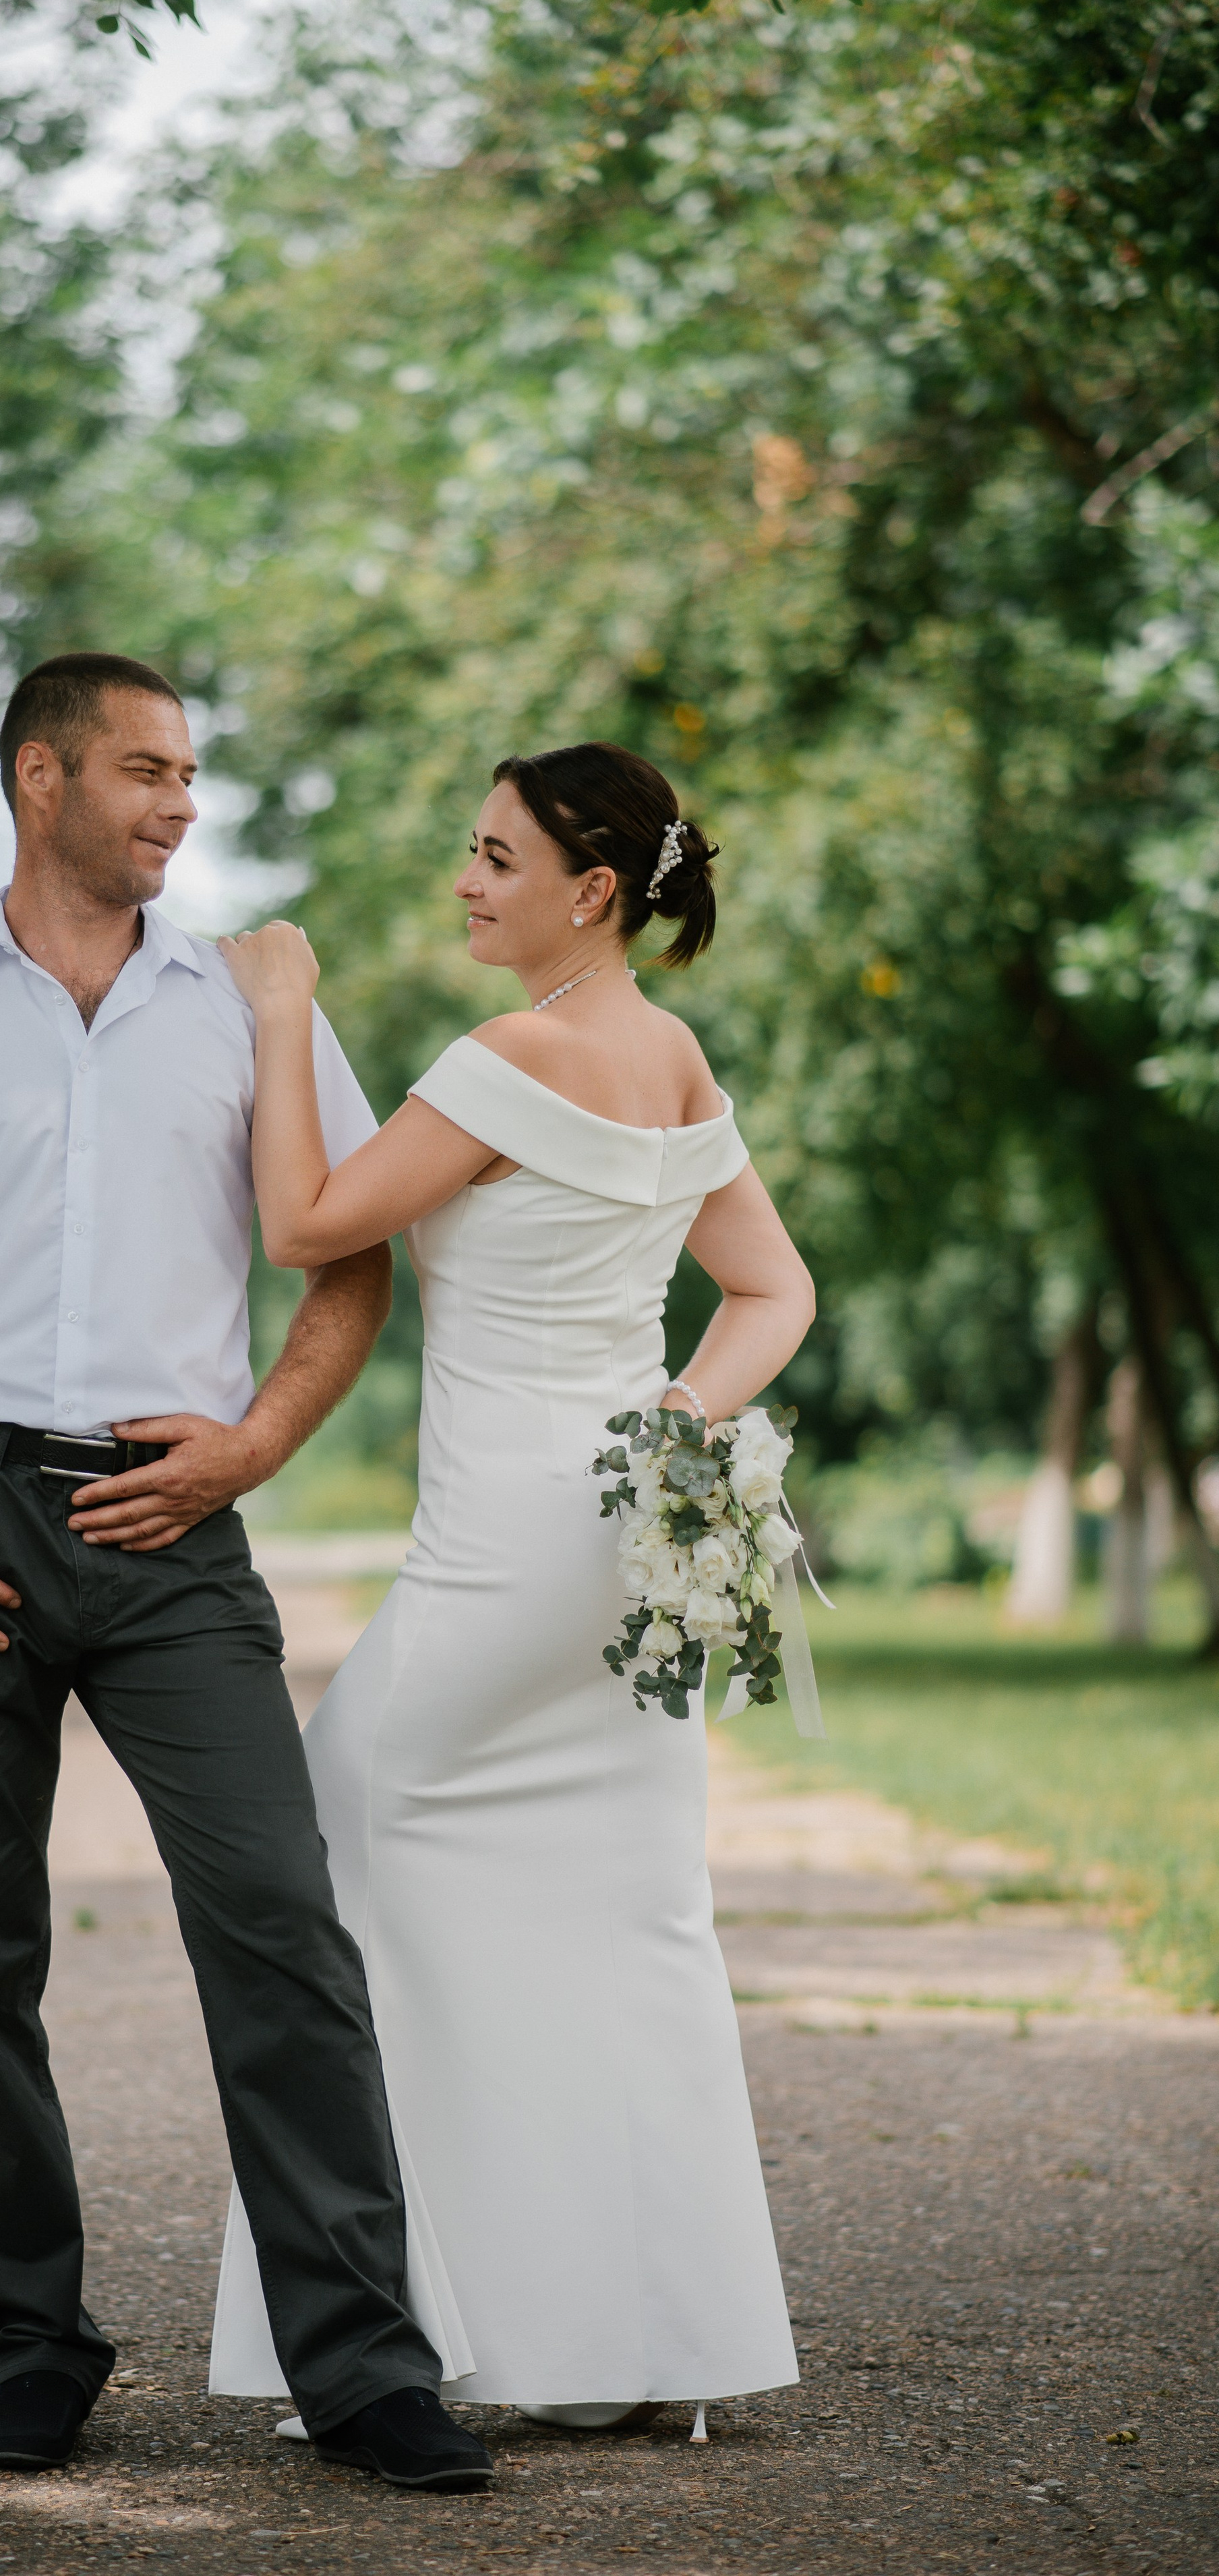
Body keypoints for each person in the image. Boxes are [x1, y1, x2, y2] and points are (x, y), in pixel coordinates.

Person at [0, 652, 494, 2494]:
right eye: (146, 770)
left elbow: (346, 1262)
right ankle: (31, 2344)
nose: (180, 803)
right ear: (40, 775)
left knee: (282, 1928)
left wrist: (252, 1445)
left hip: (171, 1530)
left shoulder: (249, 1009)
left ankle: (363, 2368)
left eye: (190, 774)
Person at [211, 742, 816, 2432]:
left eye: (493, 856)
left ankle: (395, 2334)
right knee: (624, 1919)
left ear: (593, 889)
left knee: (336, 1861)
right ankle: (648, 2352)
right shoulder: (674, 1059)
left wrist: (277, 1007)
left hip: (500, 1542)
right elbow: (772, 1292)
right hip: (630, 1531)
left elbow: (304, 1222)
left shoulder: (505, 1056)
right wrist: (675, 1428)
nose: (465, 880)